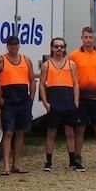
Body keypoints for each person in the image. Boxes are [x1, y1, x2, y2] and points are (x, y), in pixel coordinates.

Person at [70, 26, 96, 171]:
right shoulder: (74, 56)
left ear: (94, 38)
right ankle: (77, 158)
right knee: (80, 129)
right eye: (85, 37)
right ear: (81, 38)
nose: (88, 40)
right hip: (81, 98)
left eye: (90, 37)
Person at [0, 35, 35, 175]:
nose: (13, 47)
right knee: (8, 132)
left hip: (23, 101)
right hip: (8, 101)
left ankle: (16, 164)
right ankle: (6, 165)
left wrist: (31, 99)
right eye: (11, 45)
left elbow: (32, 80)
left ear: (19, 46)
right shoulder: (0, 60)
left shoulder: (26, 60)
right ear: (7, 46)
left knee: (20, 132)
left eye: (16, 44)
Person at [39, 36, 80, 172]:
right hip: (54, 103)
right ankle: (48, 161)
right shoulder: (46, 65)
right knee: (51, 133)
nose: (59, 49)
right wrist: (45, 103)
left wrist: (76, 102)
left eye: (61, 46)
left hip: (68, 102)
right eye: (56, 46)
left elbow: (75, 84)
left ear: (64, 48)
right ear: (51, 48)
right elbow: (42, 85)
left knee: (70, 133)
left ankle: (73, 161)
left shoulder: (71, 64)